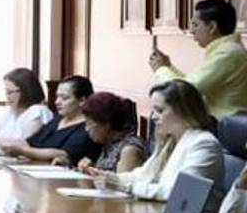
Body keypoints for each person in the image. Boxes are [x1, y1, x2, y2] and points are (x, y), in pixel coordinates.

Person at [88, 79, 224, 201]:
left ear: (183, 111)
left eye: (160, 110)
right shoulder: (170, 141)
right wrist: (111, 178)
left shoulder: (203, 144)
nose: (153, 117)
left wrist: (125, 187)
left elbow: (178, 192)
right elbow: (144, 175)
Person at [150, 0, 247, 118]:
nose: (191, 31)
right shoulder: (227, 50)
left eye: (195, 25)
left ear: (212, 27)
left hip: (223, 126)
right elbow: (189, 84)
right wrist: (168, 67)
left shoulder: (228, 53)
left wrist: (161, 69)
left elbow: (185, 92)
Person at [0, 75, 100, 166]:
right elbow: (31, 142)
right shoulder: (58, 119)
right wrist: (5, 146)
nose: (57, 102)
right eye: (57, 97)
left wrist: (23, 151)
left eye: (64, 98)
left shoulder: (87, 126)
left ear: (82, 100)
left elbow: (63, 154)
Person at [76, 91, 147, 173]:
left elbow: (123, 180)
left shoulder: (129, 150)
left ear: (106, 123)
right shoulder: (109, 143)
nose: (86, 129)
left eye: (89, 123)